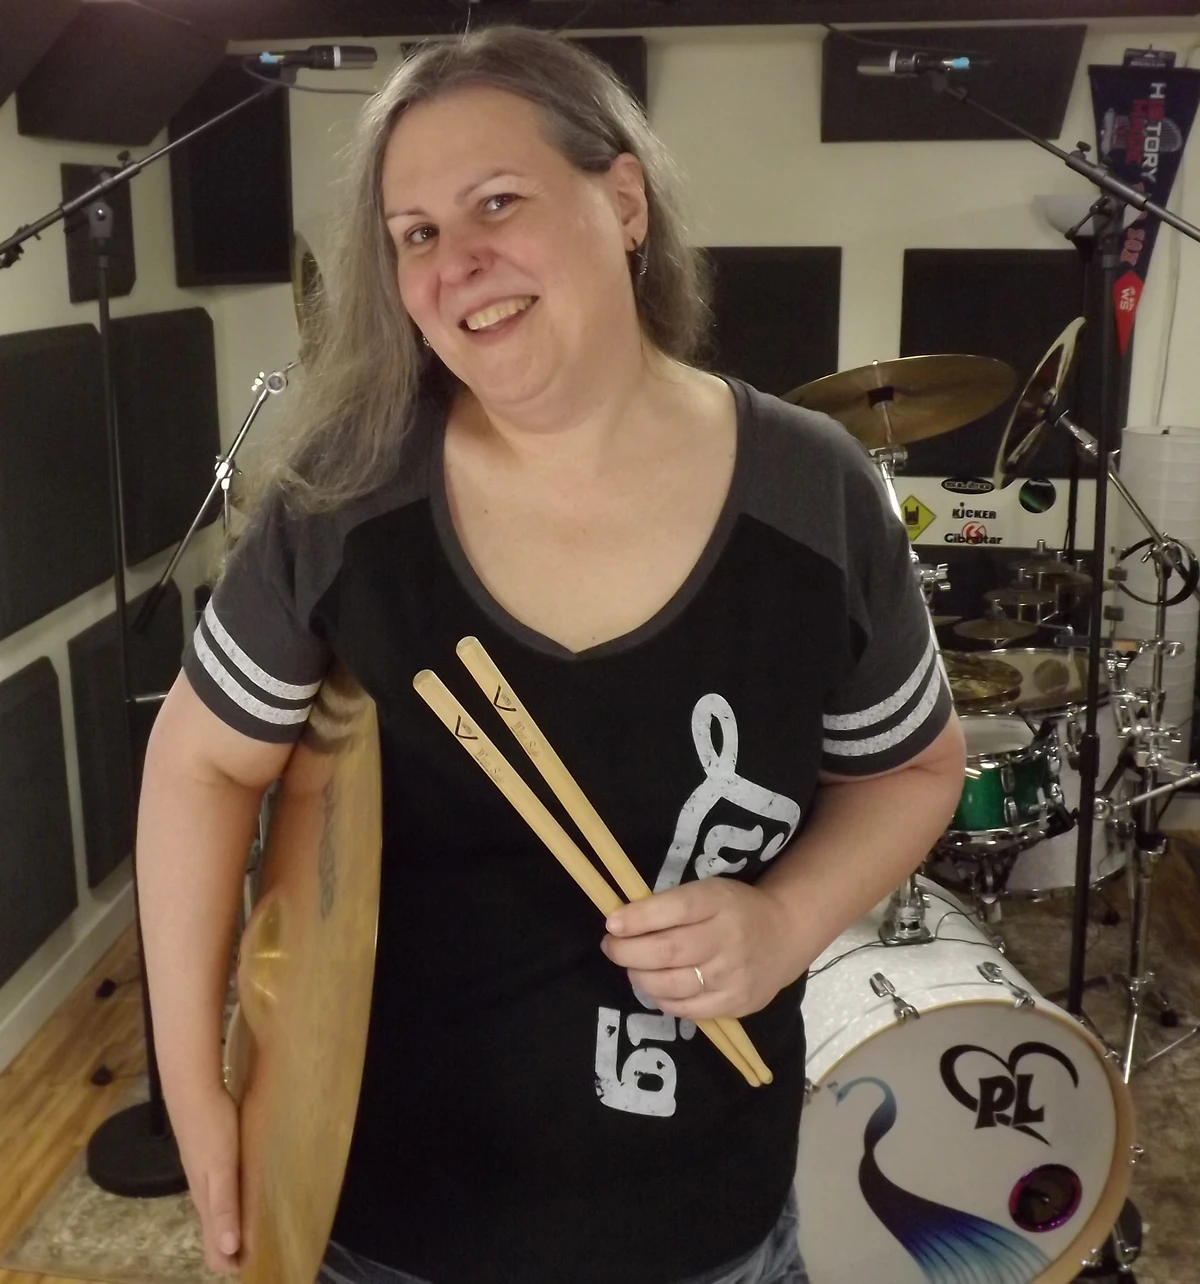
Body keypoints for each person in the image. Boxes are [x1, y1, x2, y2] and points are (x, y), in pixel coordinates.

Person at [137, 24, 966, 1284]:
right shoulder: (346, 503)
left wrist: (786, 919)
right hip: (390, 1225)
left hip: (707, 1226)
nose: (456, 260)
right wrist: (197, 1087)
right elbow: (197, 767)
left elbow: (914, 771)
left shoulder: (815, 492)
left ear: (622, 198)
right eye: (414, 232)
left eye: (498, 201)